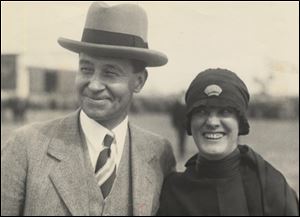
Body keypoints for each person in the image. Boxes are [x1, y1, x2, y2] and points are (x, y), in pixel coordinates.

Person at [1, 2, 176, 216]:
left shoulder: (159, 153)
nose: (93, 85)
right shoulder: (25, 146)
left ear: (139, 81)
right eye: (86, 69)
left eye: (110, 73)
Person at [157, 68, 299, 216]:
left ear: (240, 122)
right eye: (201, 111)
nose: (212, 122)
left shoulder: (271, 189)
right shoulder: (172, 192)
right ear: (190, 123)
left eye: (225, 112)